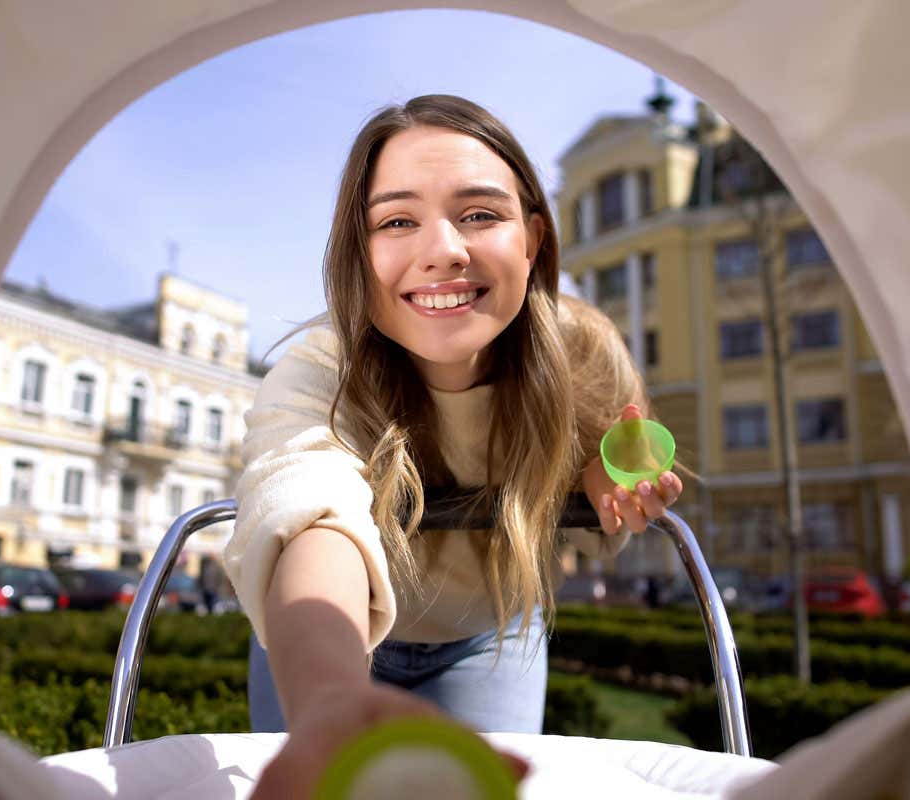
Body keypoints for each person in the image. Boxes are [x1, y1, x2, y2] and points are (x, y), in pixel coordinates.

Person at [225, 95, 684, 797]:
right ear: (359, 249)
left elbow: (629, 451)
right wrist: (327, 700)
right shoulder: (322, 369)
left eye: (480, 214)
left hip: (490, 635)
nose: (442, 251)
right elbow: (310, 517)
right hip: (330, 648)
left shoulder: (585, 354)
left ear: (532, 238)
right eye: (397, 221)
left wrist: (600, 474)